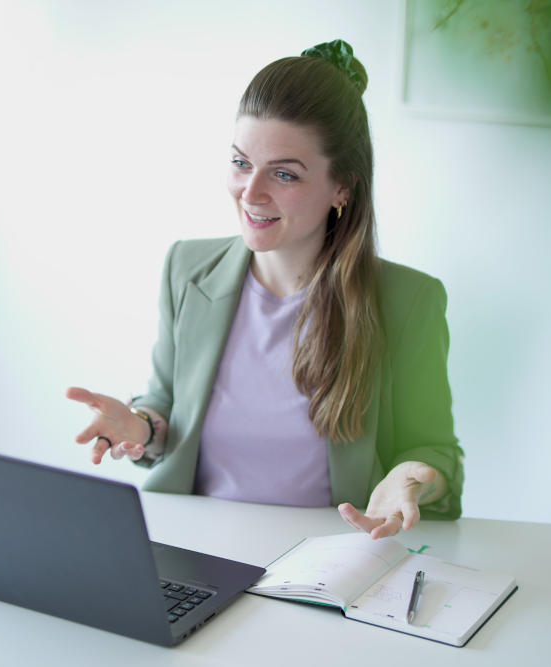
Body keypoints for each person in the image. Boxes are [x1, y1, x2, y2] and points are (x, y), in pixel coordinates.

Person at [67, 39, 463, 540]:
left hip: (329, 558)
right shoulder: (186, 268)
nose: (250, 193)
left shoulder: (408, 302)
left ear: (342, 187)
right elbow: (165, 406)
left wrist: (410, 479)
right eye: (240, 163)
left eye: (283, 174)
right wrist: (141, 427)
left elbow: (435, 453)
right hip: (195, 545)